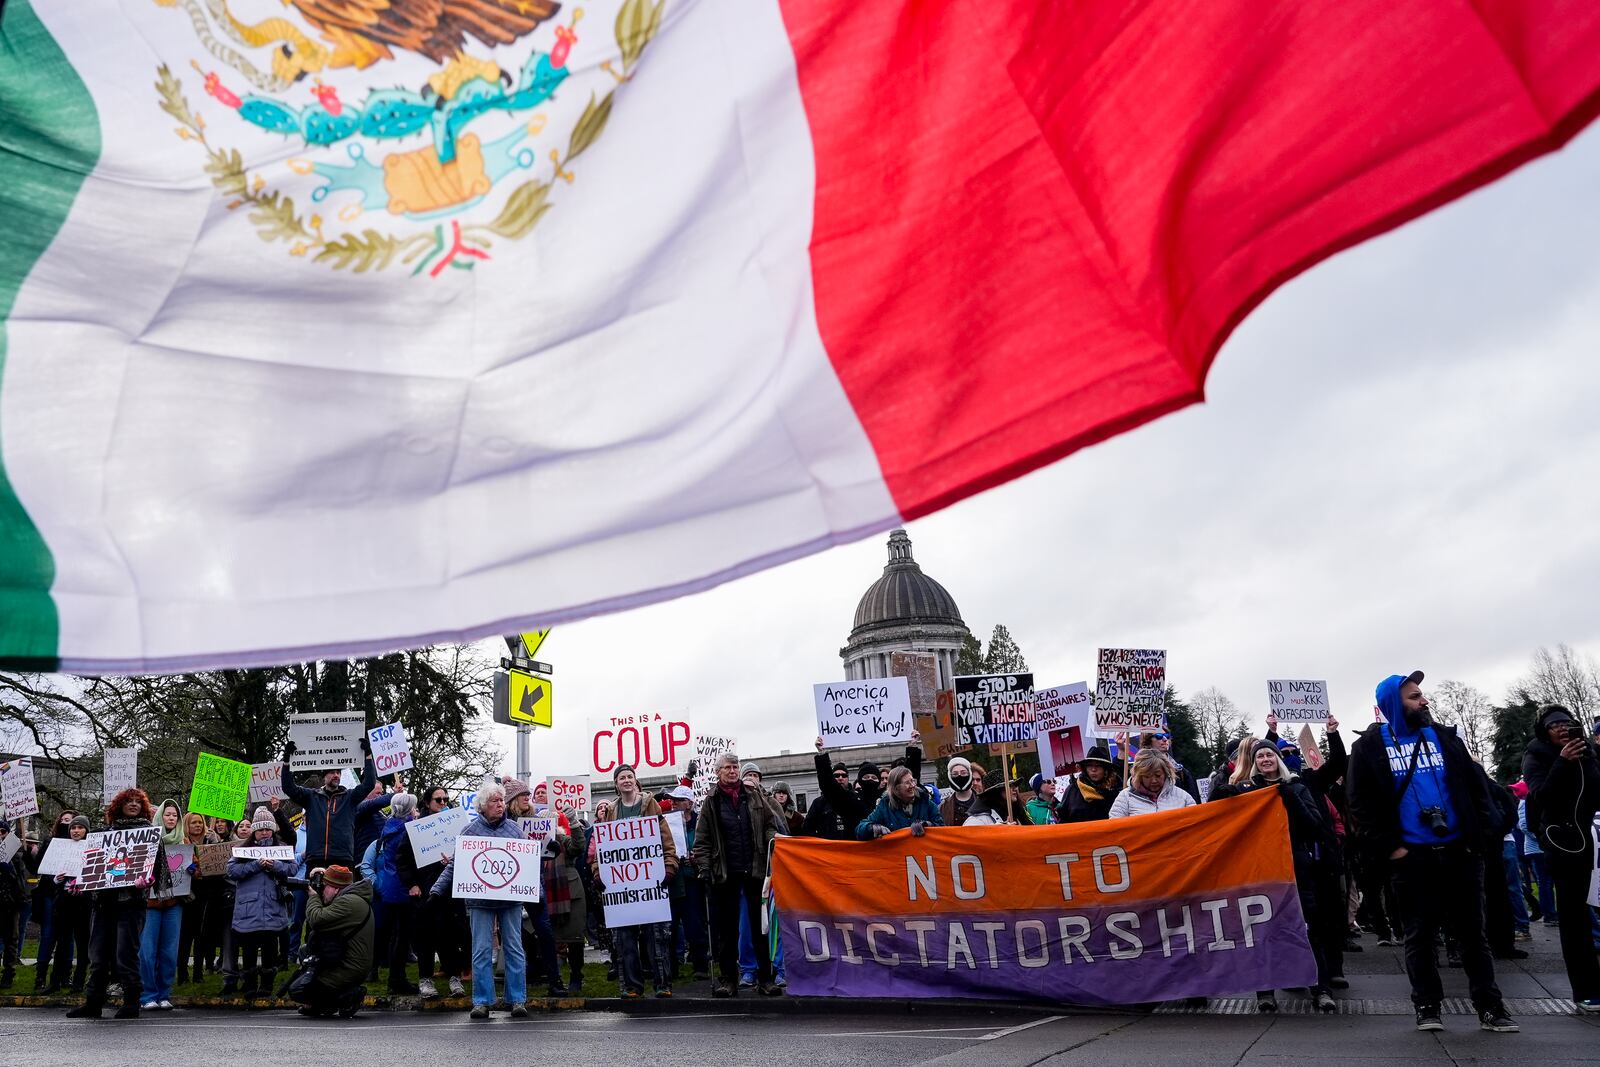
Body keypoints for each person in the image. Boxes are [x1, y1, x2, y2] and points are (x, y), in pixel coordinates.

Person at [1348, 670, 1517, 1034]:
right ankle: (1427, 1005)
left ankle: (1490, 1006)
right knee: (1419, 936)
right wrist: (1392, 849)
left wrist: (1479, 839)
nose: (1424, 701)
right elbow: (1359, 804)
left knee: (1474, 935)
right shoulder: (1369, 748)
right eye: (1414, 697)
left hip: (1459, 852)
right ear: (1393, 704)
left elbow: (1477, 790)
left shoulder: (1445, 738)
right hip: (1412, 859)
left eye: (1422, 695)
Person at [1212, 740, 1338, 1013]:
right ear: (1254, 762)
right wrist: (1222, 792)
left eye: (1270, 754)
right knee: (1262, 930)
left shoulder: (1296, 787)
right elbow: (1219, 814)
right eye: (1260, 756)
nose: (1265, 759)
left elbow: (1314, 826)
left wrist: (1289, 797)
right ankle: (1265, 993)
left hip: (1296, 867)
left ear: (1278, 759)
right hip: (1262, 870)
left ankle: (1321, 989)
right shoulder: (1249, 790)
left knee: (1310, 927)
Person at [1521, 704, 1600, 1011]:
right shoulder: (1536, 756)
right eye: (1555, 725)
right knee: (1574, 917)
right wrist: (1563, 763)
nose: (1562, 729)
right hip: (1564, 843)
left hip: (1594, 839)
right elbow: (1541, 795)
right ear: (1544, 730)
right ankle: (1586, 988)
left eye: (1567, 723)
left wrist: (1586, 757)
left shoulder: (1589, 755)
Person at [67, 788, 169, 1020]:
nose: (133, 804)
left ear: (143, 806)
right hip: (104, 902)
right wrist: (80, 881)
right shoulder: (105, 832)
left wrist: (149, 880)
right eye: (128, 801)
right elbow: (92, 863)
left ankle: (132, 1002)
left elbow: (159, 870)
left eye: (137, 801)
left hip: (131, 903)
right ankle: (93, 1002)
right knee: (98, 955)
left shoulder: (149, 834)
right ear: (119, 805)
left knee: (126, 954)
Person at [433, 783, 530, 1018]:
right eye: (494, 801)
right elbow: (456, 864)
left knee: (515, 948)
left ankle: (516, 999)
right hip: (479, 900)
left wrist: (535, 891)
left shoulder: (516, 832)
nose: (499, 804)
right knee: (481, 950)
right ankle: (482, 1001)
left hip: (510, 900)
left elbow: (527, 865)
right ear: (483, 806)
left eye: (501, 800)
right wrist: (437, 889)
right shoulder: (469, 832)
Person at [693, 752, 782, 998]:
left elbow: (769, 824)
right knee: (727, 931)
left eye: (735, 767)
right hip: (725, 872)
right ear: (718, 771)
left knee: (759, 928)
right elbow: (702, 839)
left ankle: (766, 979)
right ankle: (728, 980)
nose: (732, 771)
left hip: (754, 869)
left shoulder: (754, 796)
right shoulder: (711, 801)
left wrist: (769, 843)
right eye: (728, 768)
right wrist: (704, 867)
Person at [591, 765, 678, 998]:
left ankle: (662, 985)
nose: (627, 781)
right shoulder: (610, 810)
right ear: (616, 784)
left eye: (630, 777)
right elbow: (601, 848)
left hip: (650, 882)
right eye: (622, 778)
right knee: (625, 938)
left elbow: (666, 839)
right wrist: (598, 871)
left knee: (655, 936)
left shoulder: (651, 805)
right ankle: (632, 986)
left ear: (635, 781)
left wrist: (669, 866)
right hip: (621, 887)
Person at [280, 737, 378, 869]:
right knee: (314, 891)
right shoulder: (311, 797)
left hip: (343, 859)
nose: (336, 775)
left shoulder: (350, 797)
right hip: (315, 859)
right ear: (324, 777)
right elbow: (288, 787)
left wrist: (368, 756)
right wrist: (286, 762)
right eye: (332, 772)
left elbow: (369, 783)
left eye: (338, 772)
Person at [292, 865, 373, 1018]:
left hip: (350, 967)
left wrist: (313, 897)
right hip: (344, 959)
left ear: (336, 889)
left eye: (326, 886)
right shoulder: (349, 898)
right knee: (305, 951)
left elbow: (316, 919)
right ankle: (324, 1005)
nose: (322, 890)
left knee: (299, 990)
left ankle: (349, 997)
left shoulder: (349, 903)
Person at [227, 808, 292, 998]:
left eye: (268, 829)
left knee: (270, 950)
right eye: (261, 829)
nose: (264, 832)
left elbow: (293, 867)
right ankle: (249, 985)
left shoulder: (281, 848)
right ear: (254, 831)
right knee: (248, 950)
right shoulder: (243, 850)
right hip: (249, 910)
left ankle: (266, 985)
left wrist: (276, 865)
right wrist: (256, 865)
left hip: (272, 908)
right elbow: (231, 870)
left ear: (273, 830)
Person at [139, 798, 188, 1010]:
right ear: (159, 816)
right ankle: (147, 994)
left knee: (169, 951)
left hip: (173, 903)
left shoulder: (184, 843)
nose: (170, 818)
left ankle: (164, 993)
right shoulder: (148, 841)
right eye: (167, 814)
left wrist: (194, 869)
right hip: (150, 903)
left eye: (174, 815)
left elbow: (194, 869)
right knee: (147, 952)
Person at [663, 785, 709, 981]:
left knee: (695, 925)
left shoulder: (701, 824)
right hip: (672, 880)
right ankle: (671, 967)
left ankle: (700, 965)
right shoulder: (665, 824)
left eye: (679, 800)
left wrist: (697, 858)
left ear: (690, 803)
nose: (673, 803)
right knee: (670, 927)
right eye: (672, 800)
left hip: (693, 881)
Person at [46, 815, 93, 993]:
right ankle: (55, 981)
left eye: (80, 828)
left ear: (86, 831)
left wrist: (83, 883)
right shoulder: (62, 848)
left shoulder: (91, 848)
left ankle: (78, 982)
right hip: (64, 901)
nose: (76, 831)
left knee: (82, 944)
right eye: (73, 828)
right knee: (62, 943)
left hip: (83, 901)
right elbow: (52, 873)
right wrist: (57, 879)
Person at [176, 812, 217, 985]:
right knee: (185, 938)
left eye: (200, 822)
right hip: (186, 897)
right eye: (194, 823)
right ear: (187, 825)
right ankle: (183, 974)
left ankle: (198, 973)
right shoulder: (181, 844)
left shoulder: (209, 843)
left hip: (205, 895)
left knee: (202, 936)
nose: (198, 825)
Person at [857, 766, 943, 838]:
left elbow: (942, 827)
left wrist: (928, 825)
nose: (912, 785)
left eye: (912, 781)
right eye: (907, 783)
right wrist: (871, 828)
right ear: (896, 788)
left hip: (924, 854)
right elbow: (860, 829)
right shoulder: (885, 806)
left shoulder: (926, 803)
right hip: (898, 856)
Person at [1108, 750, 1196, 818]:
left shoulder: (1183, 797)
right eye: (1147, 776)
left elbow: (1195, 823)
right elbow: (1115, 828)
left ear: (1166, 773)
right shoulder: (1125, 797)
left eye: (1158, 775)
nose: (1154, 780)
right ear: (1139, 776)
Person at [1060, 747, 1121, 822]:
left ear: (1106, 769)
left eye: (1098, 766)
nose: (1093, 769)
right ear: (1085, 768)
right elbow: (1063, 818)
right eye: (1090, 765)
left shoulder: (1115, 791)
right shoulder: (1073, 789)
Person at [0, 821, 26, 989]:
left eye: (3, 831)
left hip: (10, 903)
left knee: (11, 939)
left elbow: (21, 881)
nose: (0, 834)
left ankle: (8, 974)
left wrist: (8, 869)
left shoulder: (16, 854)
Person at [1141, 730, 1201, 802]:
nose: (1165, 739)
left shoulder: (1181, 771)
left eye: (1167, 736)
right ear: (1148, 741)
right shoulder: (1139, 770)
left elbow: (1193, 802)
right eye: (1159, 736)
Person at [939, 757, 981, 825]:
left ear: (969, 774)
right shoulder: (943, 806)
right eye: (955, 774)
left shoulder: (983, 802)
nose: (959, 776)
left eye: (963, 773)